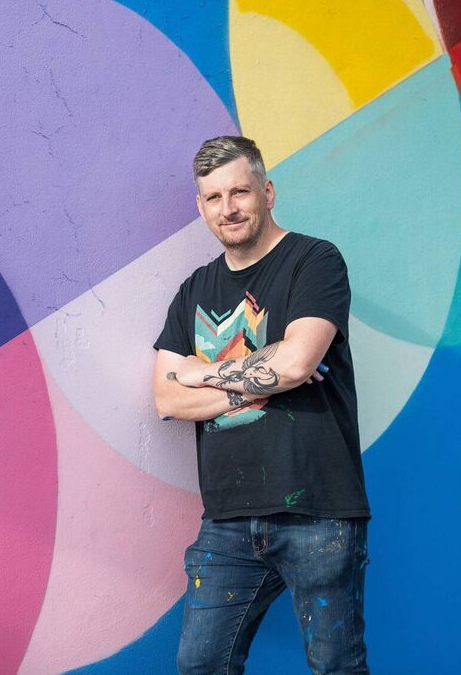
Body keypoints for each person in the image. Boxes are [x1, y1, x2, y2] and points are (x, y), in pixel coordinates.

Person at [153, 135, 370, 675]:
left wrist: (204, 374)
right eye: (213, 198)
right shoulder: (193, 290)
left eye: (240, 192)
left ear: (267, 192)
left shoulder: (314, 261)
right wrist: (259, 376)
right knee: (200, 664)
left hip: (317, 510)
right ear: (201, 207)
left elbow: (297, 364)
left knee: (336, 666)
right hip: (226, 519)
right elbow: (166, 395)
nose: (227, 208)